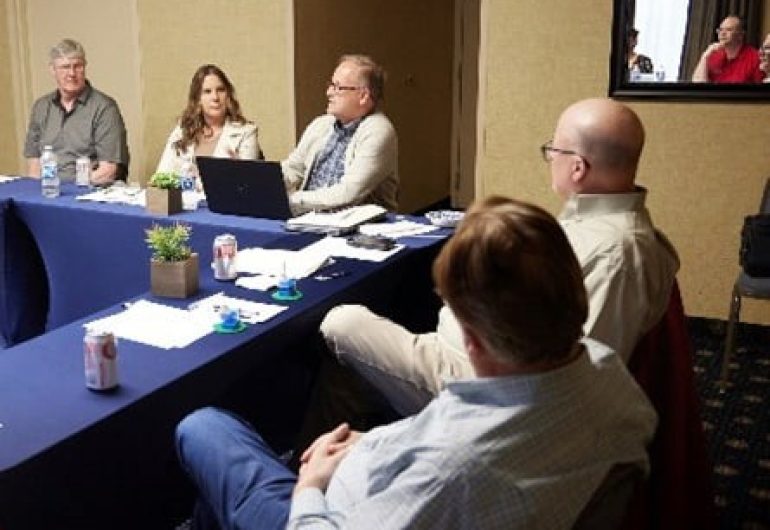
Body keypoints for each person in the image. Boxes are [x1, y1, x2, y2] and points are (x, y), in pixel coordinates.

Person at [175, 196, 657, 529]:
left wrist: (311, 487)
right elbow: (451, 433)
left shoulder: (452, 471)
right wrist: (373, 443)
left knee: (204, 429)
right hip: (386, 478)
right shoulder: (607, 371)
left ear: (472, 341)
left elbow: (447, 461)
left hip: (322, 512)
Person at [320, 98, 680, 418]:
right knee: (352, 365)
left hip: (480, 379)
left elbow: (571, 383)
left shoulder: (614, 254)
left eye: (553, 149)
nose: (550, 158)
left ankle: (367, 453)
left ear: (577, 168)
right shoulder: (598, 225)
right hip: (485, 350)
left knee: (340, 321)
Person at [281, 54, 398, 215]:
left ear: (363, 96)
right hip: (308, 218)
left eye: (338, 87)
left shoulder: (378, 130)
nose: (329, 92)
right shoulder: (321, 124)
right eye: (330, 85)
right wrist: (266, 185)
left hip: (357, 229)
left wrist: (292, 200)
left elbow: (348, 192)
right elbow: (294, 169)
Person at [24, 38, 129, 184]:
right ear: (53, 70)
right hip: (48, 192)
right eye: (65, 67)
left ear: (85, 67)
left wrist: (68, 191)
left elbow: (108, 171)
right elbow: (34, 166)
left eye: (77, 66)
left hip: (88, 192)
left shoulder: (104, 108)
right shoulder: (41, 107)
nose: (72, 73)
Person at [156, 64, 261, 175]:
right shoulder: (182, 130)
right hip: (184, 193)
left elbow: (247, 183)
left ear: (228, 95)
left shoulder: (247, 132)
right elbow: (162, 177)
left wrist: (235, 169)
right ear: (198, 99)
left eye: (221, 90)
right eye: (207, 91)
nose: (215, 97)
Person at [692, 15, 763, 83]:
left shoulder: (755, 57)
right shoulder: (713, 54)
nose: (722, 33)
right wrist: (705, 56)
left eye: (729, 30)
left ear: (740, 35)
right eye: (720, 30)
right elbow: (698, 85)